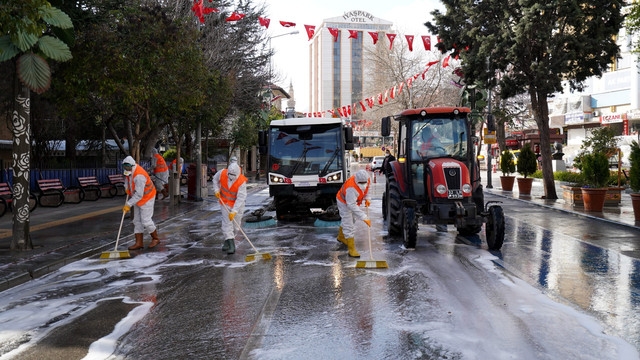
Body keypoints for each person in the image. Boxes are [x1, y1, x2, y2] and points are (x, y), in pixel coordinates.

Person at [122, 156, 160, 250]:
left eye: (128, 167)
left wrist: (128, 204)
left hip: (147, 198)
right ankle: (139, 243)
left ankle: (155, 238)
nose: (126, 169)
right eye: (125, 167)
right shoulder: (129, 171)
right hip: (137, 199)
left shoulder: (139, 176)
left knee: (146, 220)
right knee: (137, 221)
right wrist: (126, 187)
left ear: (132, 165)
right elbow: (127, 179)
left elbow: (139, 194)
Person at [213, 162, 247, 255]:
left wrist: (234, 211)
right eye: (230, 174)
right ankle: (232, 246)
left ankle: (227, 241)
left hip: (238, 206)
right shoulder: (222, 173)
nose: (231, 176)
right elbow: (215, 180)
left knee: (236, 226)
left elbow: (241, 198)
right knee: (227, 224)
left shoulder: (241, 181)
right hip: (225, 203)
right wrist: (216, 190)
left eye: (233, 175)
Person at [336, 169, 371, 258]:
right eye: (361, 183)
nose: (363, 185)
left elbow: (368, 189)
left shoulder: (367, 179)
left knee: (353, 219)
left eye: (364, 182)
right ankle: (351, 249)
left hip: (352, 202)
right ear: (356, 180)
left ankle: (341, 237)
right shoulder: (351, 188)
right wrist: (364, 217)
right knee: (348, 223)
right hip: (343, 201)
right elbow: (351, 205)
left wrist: (367, 198)